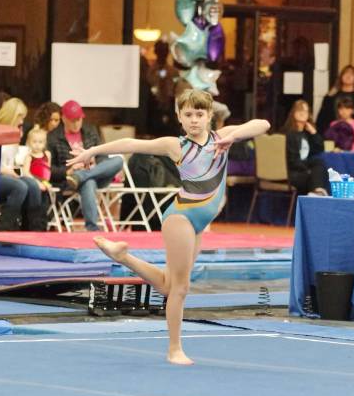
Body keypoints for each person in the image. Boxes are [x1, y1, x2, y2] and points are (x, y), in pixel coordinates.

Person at [67, 89, 270, 365]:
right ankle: (174, 349)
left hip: (198, 222)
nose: (195, 120)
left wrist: (235, 135)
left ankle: (121, 256)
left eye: (200, 114)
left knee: (167, 284)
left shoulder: (222, 137)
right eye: (188, 115)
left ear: (210, 116)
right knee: (181, 288)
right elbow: (130, 144)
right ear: (179, 117)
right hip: (181, 217)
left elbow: (263, 125)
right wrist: (92, 150)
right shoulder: (176, 145)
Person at [47, 100, 123, 231]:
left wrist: (95, 162)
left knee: (118, 160)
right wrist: (69, 171)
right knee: (89, 182)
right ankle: (92, 229)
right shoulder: (53, 137)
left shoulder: (90, 131)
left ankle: (82, 176)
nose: (76, 123)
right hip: (71, 181)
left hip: (95, 173)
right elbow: (50, 170)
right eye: (73, 120)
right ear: (64, 118)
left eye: (79, 119)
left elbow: (103, 156)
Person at [0, 98, 44, 230]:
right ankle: (4, 227)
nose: (21, 121)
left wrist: (17, 140)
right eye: (20, 117)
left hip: (7, 174)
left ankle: (32, 228)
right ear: (11, 114)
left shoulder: (13, 130)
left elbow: (11, 160)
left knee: (33, 185)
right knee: (20, 186)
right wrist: (10, 173)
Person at [282, 100, 328, 196]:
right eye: (300, 110)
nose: (303, 113)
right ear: (293, 113)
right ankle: (317, 192)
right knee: (315, 176)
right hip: (292, 172)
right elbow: (292, 160)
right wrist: (307, 170)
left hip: (303, 169)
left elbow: (320, 148)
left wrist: (313, 132)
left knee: (319, 163)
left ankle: (317, 192)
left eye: (306, 111)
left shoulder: (306, 134)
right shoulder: (289, 133)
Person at [315, 65, 354, 138]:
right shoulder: (330, 97)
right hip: (334, 136)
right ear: (341, 77)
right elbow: (322, 119)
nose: (348, 76)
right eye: (346, 73)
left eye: (352, 74)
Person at [22, 127, 52, 192]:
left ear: (44, 143)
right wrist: (37, 183)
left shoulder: (47, 154)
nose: (37, 145)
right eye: (34, 142)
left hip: (45, 183)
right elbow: (25, 173)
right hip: (33, 183)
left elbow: (48, 169)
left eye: (40, 142)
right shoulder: (29, 157)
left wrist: (45, 182)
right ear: (29, 143)